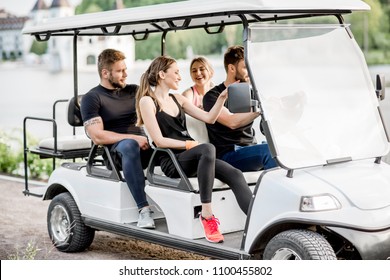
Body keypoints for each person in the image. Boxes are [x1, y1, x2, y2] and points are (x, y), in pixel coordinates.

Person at [136, 55, 252, 243]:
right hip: (172, 160)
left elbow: (209, 118)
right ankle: (207, 214)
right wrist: (189, 144)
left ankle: (257, 221)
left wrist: (222, 97)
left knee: (235, 173)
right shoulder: (147, 101)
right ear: (162, 74)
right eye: (176, 72)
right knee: (207, 148)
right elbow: (158, 141)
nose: (180, 77)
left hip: (194, 155)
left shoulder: (178, 99)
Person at [80, 48, 155, 229]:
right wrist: (133, 138)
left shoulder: (134, 91)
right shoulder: (92, 98)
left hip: (144, 146)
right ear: (105, 73)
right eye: (120, 71)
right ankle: (143, 211)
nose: (125, 74)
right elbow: (97, 136)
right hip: (117, 153)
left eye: (125, 69)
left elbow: (159, 108)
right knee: (129, 145)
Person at [203, 45, 277, 172]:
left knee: (279, 147)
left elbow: (265, 127)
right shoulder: (212, 96)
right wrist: (261, 109)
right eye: (245, 67)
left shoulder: (252, 93)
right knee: (268, 151)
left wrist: (283, 108)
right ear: (231, 68)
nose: (250, 72)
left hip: (250, 148)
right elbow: (232, 122)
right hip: (228, 154)